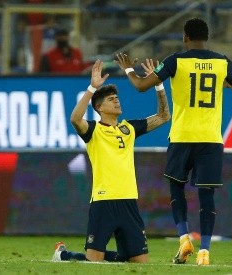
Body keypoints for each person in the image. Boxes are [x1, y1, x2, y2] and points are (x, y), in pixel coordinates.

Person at [115, 17, 232, 266]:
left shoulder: (175, 61)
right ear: (206, 37)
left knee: (177, 188)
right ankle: (205, 252)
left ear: (185, 37)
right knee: (206, 194)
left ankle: (184, 237)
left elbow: (141, 86)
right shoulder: (222, 62)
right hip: (210, 139)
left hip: (182, 136)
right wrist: (222, 82)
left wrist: (128, 69)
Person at [52, 58, 170, 263]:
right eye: (111, 99)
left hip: (129, 201)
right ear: (99, 107)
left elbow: (163, 116)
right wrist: (91, 88)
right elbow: (74, 119)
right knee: (93, 262)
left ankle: (117, 257)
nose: (117, 101)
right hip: (103, 202)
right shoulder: (93, 131)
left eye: (117, 97)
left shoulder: (129, 129)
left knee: (140, 263)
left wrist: (158, 83)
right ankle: (63, 255)